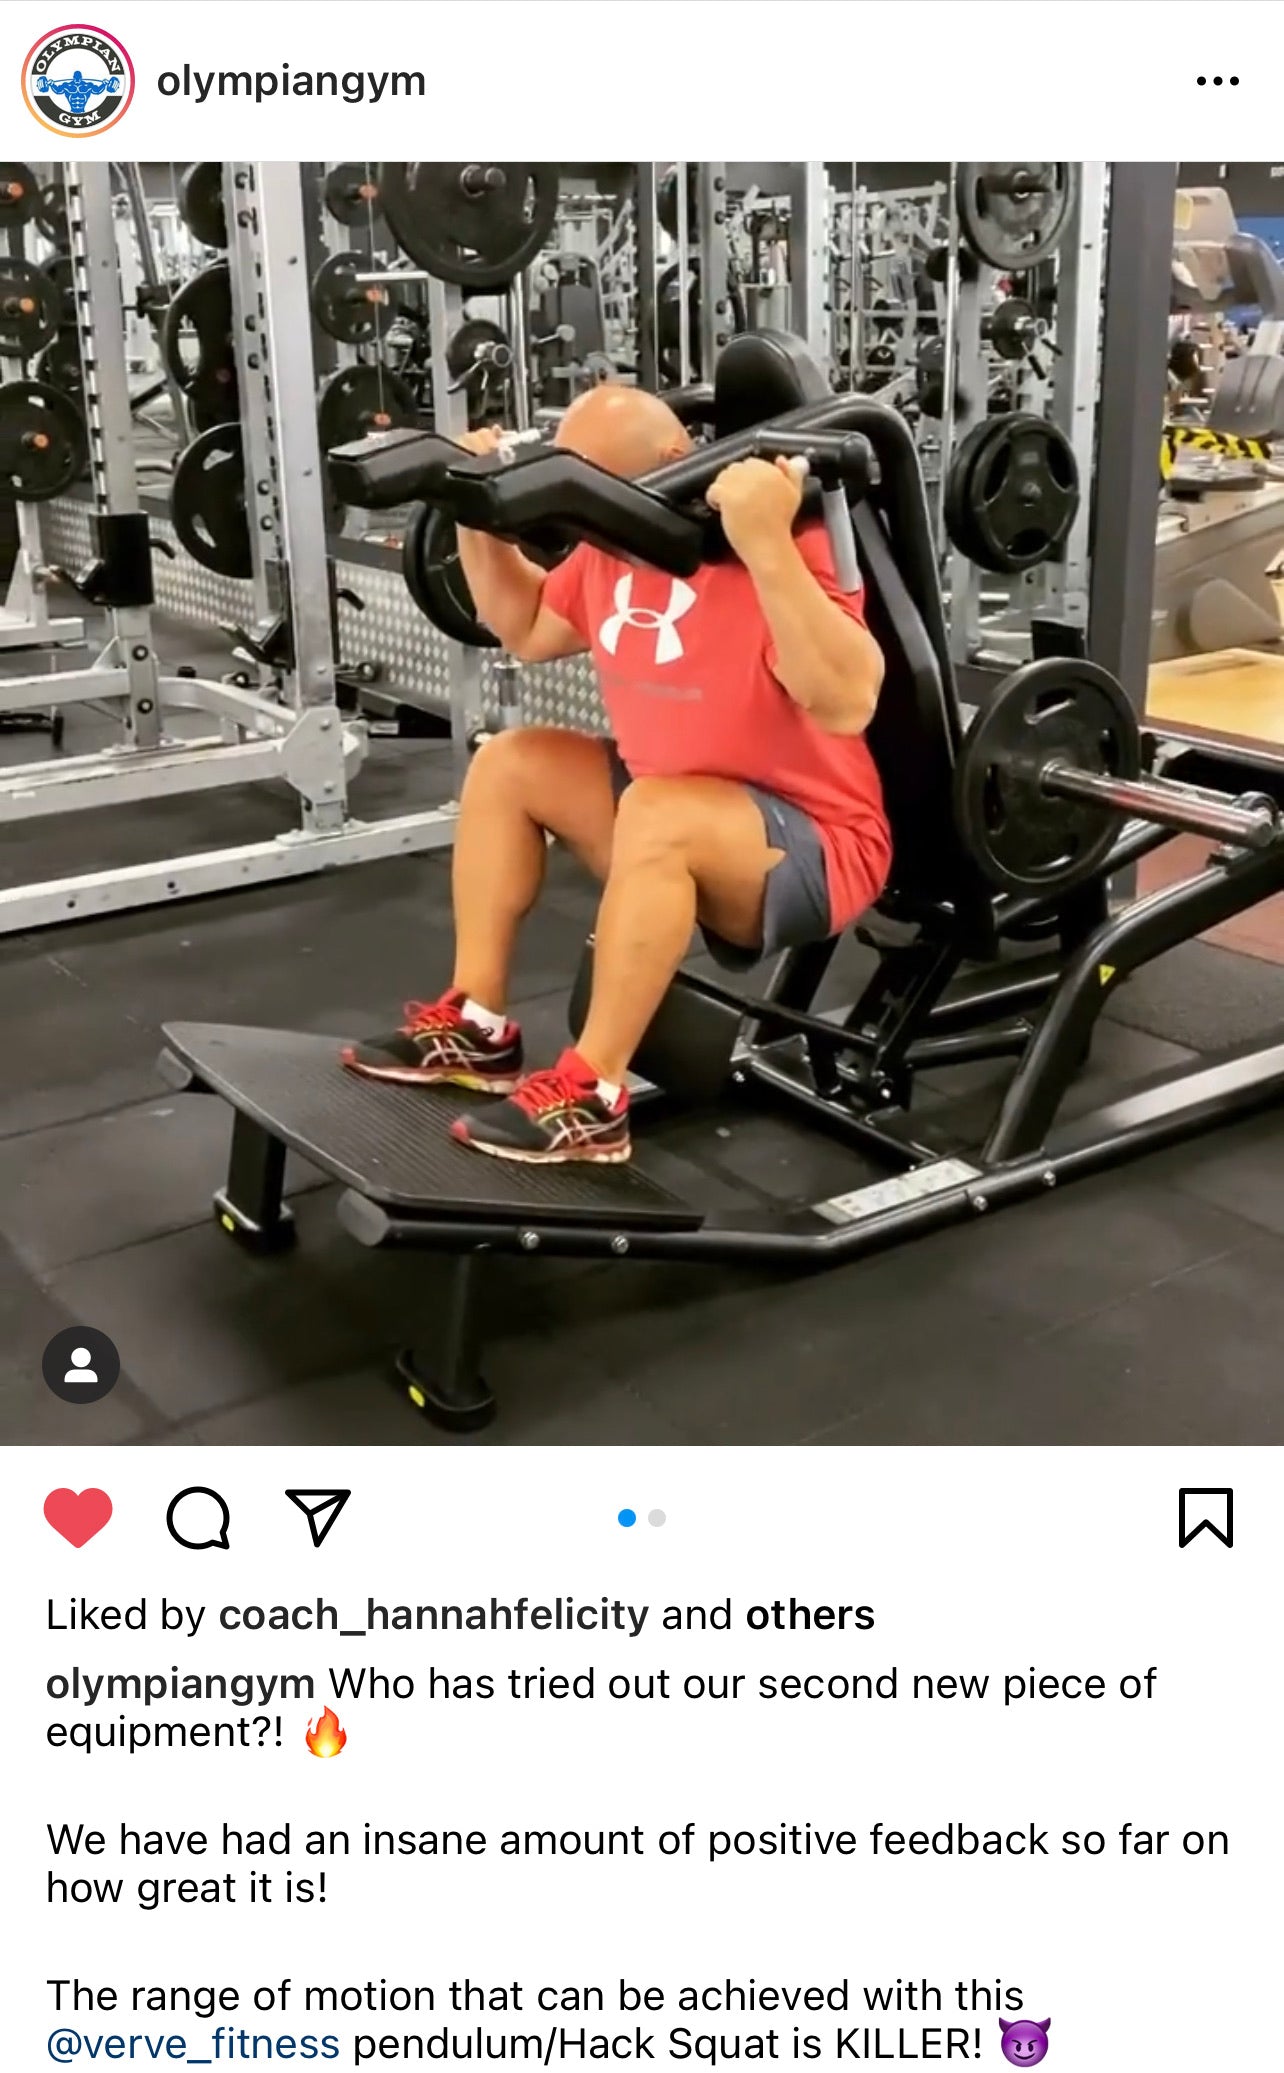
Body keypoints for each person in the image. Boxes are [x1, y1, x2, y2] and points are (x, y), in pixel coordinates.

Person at [343, 384, 891, 1165]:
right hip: (663, 815)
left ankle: (595, 1095)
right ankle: (477, 1025)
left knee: (660, 812)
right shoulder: (613, 543)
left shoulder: (788, 539)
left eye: (597, 488)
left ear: (674, 461)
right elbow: (528, 628)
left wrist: (766, 541)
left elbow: (847, 700)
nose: (585, 514)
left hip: (814, 846)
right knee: (509, 764)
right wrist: (470, 509)